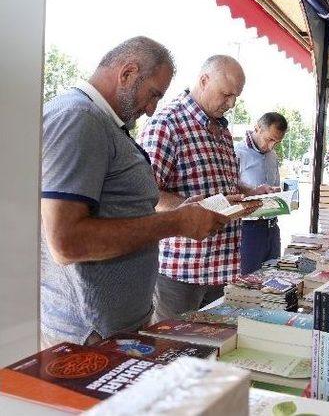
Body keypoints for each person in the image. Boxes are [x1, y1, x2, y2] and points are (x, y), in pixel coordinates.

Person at [40, 37, 234, 348]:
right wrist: (176, 223)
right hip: (90, 334)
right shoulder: (79, 118)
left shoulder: (100, 121)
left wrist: (183, 210)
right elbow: (66, 242)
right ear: (128, 73)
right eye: (153, 94)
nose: (151, 108)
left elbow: (124, 208)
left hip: (114, 327)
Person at [139, 55, 261, 322]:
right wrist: (194, 209)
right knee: (175, 354)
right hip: (182, 271)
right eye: (226, 94)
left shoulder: (223, 130)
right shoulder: (167, 124)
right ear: (204, 80)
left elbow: (221, 181)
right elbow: (145, 195)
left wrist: (249, 192)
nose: (230, 104)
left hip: (223, 266)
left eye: (235, 97)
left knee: (211, 352)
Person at [235, 112, 288, 274]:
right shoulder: (237, 152)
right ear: (257, 128)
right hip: (248, 229)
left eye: (277, 142)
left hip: (272, 227)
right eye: (269, 139)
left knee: (272, 280)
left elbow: (274, 186)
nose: (272, 146)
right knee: (249, 282)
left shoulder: (272, 156)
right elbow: (229, 189)